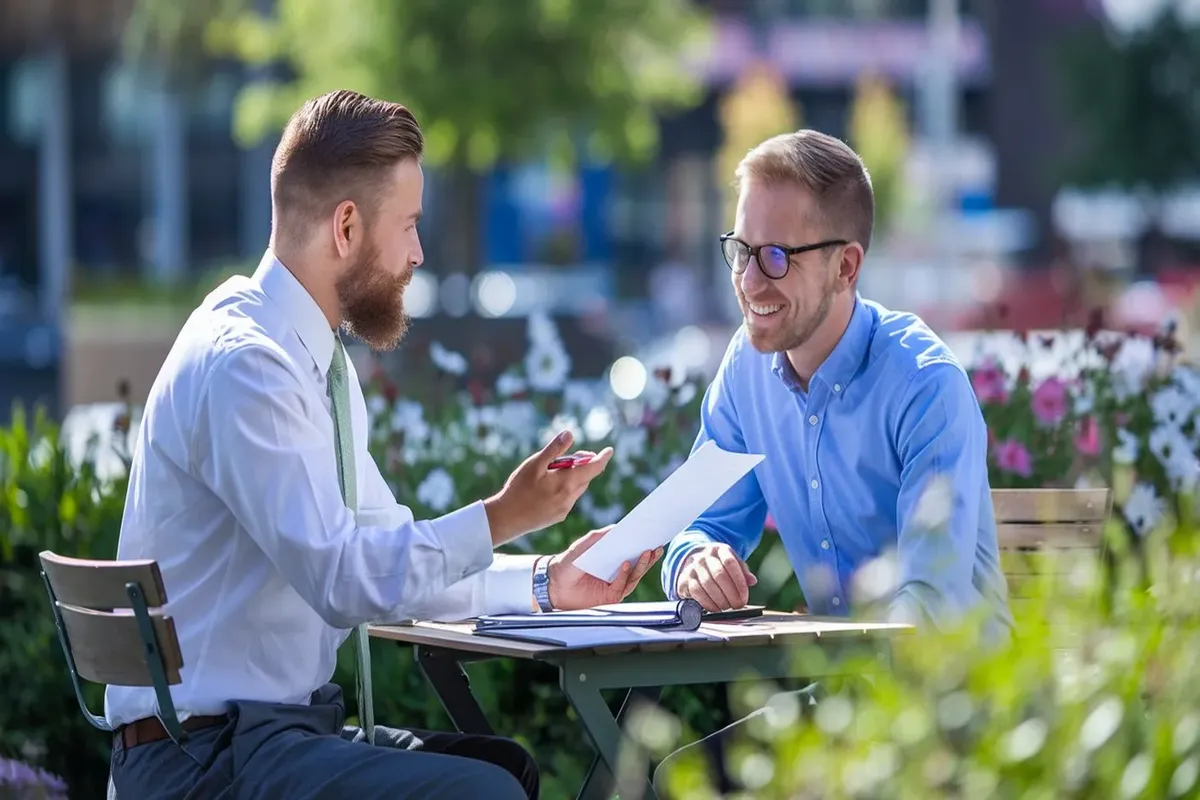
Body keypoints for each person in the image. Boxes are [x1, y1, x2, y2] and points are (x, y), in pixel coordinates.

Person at [104, 90, 660, 800]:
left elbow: (385, 555)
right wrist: (502, 515)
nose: (418, 253)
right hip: (204, 761)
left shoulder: (308, 361)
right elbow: (346, 583)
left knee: (503, 770)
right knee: (484, 795)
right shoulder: (247, 367)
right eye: (409, 226)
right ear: (345, 227)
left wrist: (546, 582)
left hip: (260, 739)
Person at [653, 130, 1013, 793]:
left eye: (777, 256)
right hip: (849, 700)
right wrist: (694, 561)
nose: (749, 280)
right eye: (740, 251)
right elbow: (696, 527)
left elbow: (926, 612)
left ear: (847, 267)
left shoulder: (924, 385)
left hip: (961, 713)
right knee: (677, 781)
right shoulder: (745, 372)